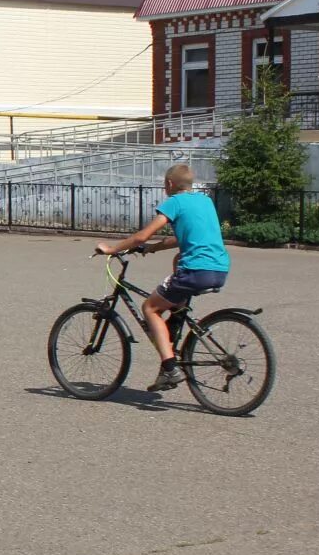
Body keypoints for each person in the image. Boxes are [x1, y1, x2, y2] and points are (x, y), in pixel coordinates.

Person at [94, 163, 230, 393]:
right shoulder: (205, 201)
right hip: (219, 269)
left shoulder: (174, 202)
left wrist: (112, 249)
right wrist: (152, 249)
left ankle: (170, 368)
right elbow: (181, 240)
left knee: (150, 308)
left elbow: (141, 235)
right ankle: (175, 326)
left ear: (169, 184)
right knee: (177, 272)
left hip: (195, 271)